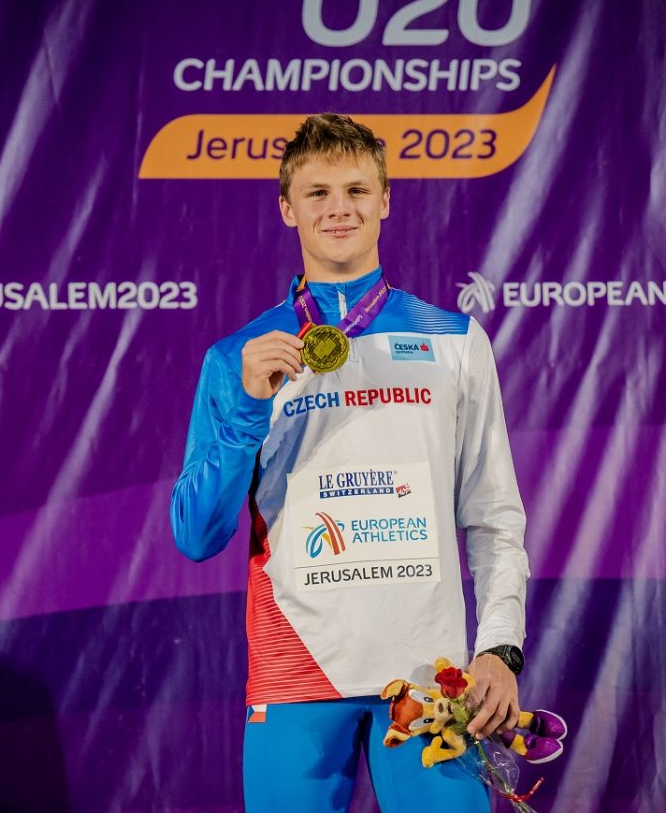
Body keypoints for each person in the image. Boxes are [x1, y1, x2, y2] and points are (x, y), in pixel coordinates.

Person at [170, 113, 529, 811]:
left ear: (386, 200)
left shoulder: (454, 341)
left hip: (431, 681)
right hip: (295, 676)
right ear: (287, 207)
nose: (339, 209)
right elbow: (196, 535)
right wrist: (245, 408)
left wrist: (500, 648)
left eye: (357, 190)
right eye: (318, 193)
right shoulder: (239, 357)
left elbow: (493, 516)